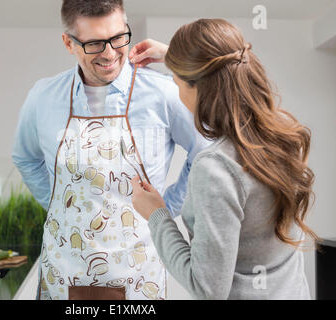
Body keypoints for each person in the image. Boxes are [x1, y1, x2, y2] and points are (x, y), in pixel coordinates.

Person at [12, 0, 210, 300]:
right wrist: (59, 207)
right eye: (94, 43)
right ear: (69, 43)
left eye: (118, 38)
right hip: (65, 273)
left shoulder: (164, 93)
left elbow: (205, 151)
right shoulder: (43, 97)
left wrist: (168, 207)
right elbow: (25, 158)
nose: (109, 53)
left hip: (137, 276)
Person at [129, 18, 318, 300]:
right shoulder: (281, 134)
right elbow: (229, 65)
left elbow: (208, 289)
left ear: (200, 88)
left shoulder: (216, 168)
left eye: (178, 82)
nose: (177, 93)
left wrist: (157, 215)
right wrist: (175, 57)